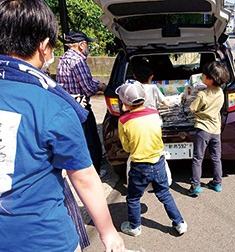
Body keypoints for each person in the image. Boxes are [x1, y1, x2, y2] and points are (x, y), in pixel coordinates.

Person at [0, 1, 124, 252]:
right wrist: (109, 232)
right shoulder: (53, 105)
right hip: (43, 240)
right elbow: (84, 178)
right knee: (88, 149)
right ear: (44, 46)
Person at [117, 82, 187, 236]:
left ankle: (135, 226)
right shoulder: (154, 113)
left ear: (124, 103)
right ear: (145, 97)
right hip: (158, 161)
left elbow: (127, 148)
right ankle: (179, 223)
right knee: (164, 194)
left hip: (139, 166)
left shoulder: (123, 121)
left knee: (134, 197)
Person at [56, 30, 107, 178]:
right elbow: (88, 88)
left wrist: (97, 83)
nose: (87, 48)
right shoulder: (78, 61)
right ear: (81, 45)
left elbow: (85, 80)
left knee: (77, 140)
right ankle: (95, 173)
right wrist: (101, 87)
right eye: (86, 45)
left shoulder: (64, 58)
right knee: (92, 142)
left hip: (68, 105)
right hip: (80, 107)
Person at [188, 61, 230, 196]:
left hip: (203, 129)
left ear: (210, 79)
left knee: (197, 158)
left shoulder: (202, 94)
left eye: (204, 75)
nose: (202, 76)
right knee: (216, 158)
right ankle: (217, 183)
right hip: (216, 130)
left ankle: (195, 185)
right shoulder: (220, 92)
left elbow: (192, 109)